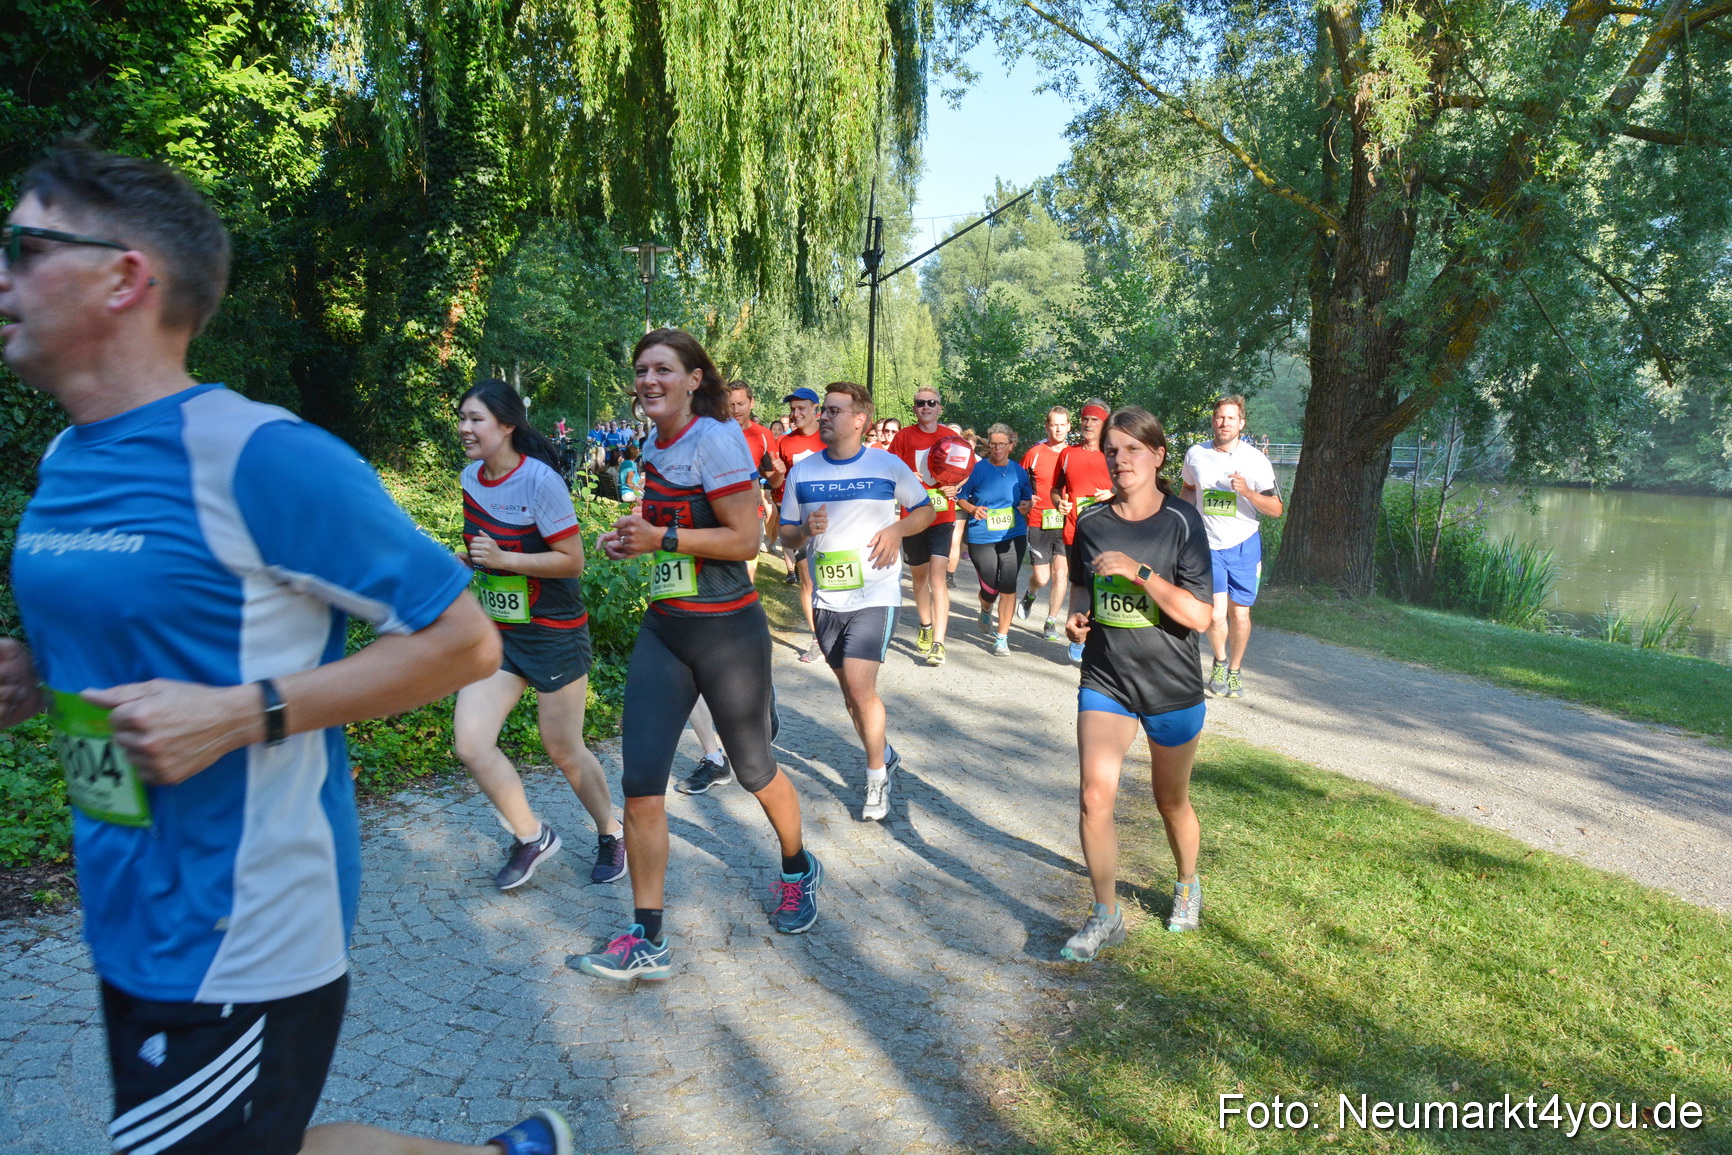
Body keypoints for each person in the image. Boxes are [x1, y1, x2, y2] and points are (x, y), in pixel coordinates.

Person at [0, 147, 572, 1154]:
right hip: (128, 898)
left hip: (246, 923)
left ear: (124, 277)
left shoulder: (259, 455)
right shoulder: (65, 457)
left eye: (26, 247)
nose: (3, 273)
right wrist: (37, 679)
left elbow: (463, 641)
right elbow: (130, 645)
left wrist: (238, 713)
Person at [579, 329, 820, 982]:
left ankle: (798, 867)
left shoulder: (716, 438)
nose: (648, 379)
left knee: (754, 769)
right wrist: (635, 540)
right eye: (641, 369)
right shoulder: (653, 443)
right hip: (666, 630)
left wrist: (665, 535)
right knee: (640, 786)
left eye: (663, 368)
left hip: (727, 632)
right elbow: (669, 534)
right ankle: (647, 934)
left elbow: (745, 539)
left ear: (693, 379)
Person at [454, 379, 626, 892]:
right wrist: (466, 562)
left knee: (563, 748)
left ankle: (610, 831)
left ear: (506, 425)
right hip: (503, 634)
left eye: (476, 419)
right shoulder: (470, 477)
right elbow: (487, 549)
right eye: (461, 417)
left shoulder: (540, 481)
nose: (464, 428)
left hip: (554, 631)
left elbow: (572, 560)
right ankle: (532, 837)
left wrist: (507, 559)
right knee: (471, 742)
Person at [1062, 406, 1214, 962]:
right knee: (1093, 797)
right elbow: (1084, 592)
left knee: (1170, 800)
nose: (1120, 460)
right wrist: (1076, 618)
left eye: (1132, 449)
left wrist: (1140, 573)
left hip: (1171, 684)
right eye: (1112, 450)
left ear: (1157, 455)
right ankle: (1106, 914)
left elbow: (1199, 618)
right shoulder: (1093, 521)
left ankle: (1187, 883)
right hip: (1107, 678)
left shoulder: (1181, 522)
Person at [779, 382, 933, 819]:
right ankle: (882, 750)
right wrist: (805, 530)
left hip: (876, 594)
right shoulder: (803, 472)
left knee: (863, 688)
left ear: (859, 420)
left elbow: (925, 510)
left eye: (832, 411)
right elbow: (784, 533)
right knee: (850, 694)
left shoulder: (887, 465)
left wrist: (896, 530)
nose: (822, 417)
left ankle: (875, 779)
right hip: (828, 596)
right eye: (823, 411)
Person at [1180, 394, 1283, 699]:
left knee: (1239, 616)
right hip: (1207, 546)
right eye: (1219, 417)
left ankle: (1236, 669)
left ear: (1241, 423)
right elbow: (1187, 488)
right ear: (1213, 420)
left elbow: (1276, 508)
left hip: (1243, 545)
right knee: (1214, 615)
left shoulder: (1255, 460)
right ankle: (1220, 662)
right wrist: (1181, 525)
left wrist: (1248, 493)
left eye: (1230, 418)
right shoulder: (1196, 454)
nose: (1224, 423)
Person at [888, 388, 962, 666]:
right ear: (915, 408)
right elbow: (889, 471)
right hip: (914, 516)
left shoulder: (950, 438)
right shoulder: (904, 437)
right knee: (919, 578)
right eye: (921, 403)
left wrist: (957, 485)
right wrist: (905, 476)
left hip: (942, 516)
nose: (926, 407)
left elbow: (965, 471)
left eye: (932, 403)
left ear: (940, 408)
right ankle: (926, 625)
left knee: (938, 579)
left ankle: (939, 644)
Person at [954, 423, 1034, 656]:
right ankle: (986, 606)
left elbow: (1027, 498)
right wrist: (972, 509)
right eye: (993, 444)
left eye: (1002, 444)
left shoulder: (1018, 471)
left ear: (1011, 445)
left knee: (1008, 585)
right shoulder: (978, 470)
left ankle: (1002, 638)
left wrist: (1026, 505)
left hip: (1013, 535)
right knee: (990, 588)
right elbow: (960, 496)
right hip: (982, 536)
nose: (997, 448)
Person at [1055, 399, 1115, 664]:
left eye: (1095, 420)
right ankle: (1078, 634)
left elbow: (1133, 485)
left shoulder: (1113, 453)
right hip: (1075, 532)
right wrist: (1059, 502)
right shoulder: (1067, 454)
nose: (1088, 424)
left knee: (1103, 586)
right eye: (1085, 419)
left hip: (1108, 533)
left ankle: (1101, 637)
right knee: (1079, 584)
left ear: (1105, 424)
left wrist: (1112, 493)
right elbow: (1056, 489)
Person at [773, 387, 826, 651]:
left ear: (815, 409)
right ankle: (818, 638)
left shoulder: (831, 437)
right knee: (808, 580)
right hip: (800, 523)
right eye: (792, 409)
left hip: (832, 521)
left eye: (801, 408)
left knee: (831, 579)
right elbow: (776, 484)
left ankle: (839, 629)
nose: (795, 414)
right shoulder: (784, 442)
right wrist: (777, 475)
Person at [1019, 406, 1072, 641]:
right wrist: (1026, 497)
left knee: (1061, 573)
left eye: (1063, 424)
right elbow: (1019, 482)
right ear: (1047, 426)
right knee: (1042, 578)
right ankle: (1031, 593)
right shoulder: (1035, 453)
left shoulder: (1074, 454)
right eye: (1054, 424)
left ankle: (1051, 621)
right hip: (1038, 520)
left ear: (1069, 427)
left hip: (1066, 521)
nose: (1058, 429)